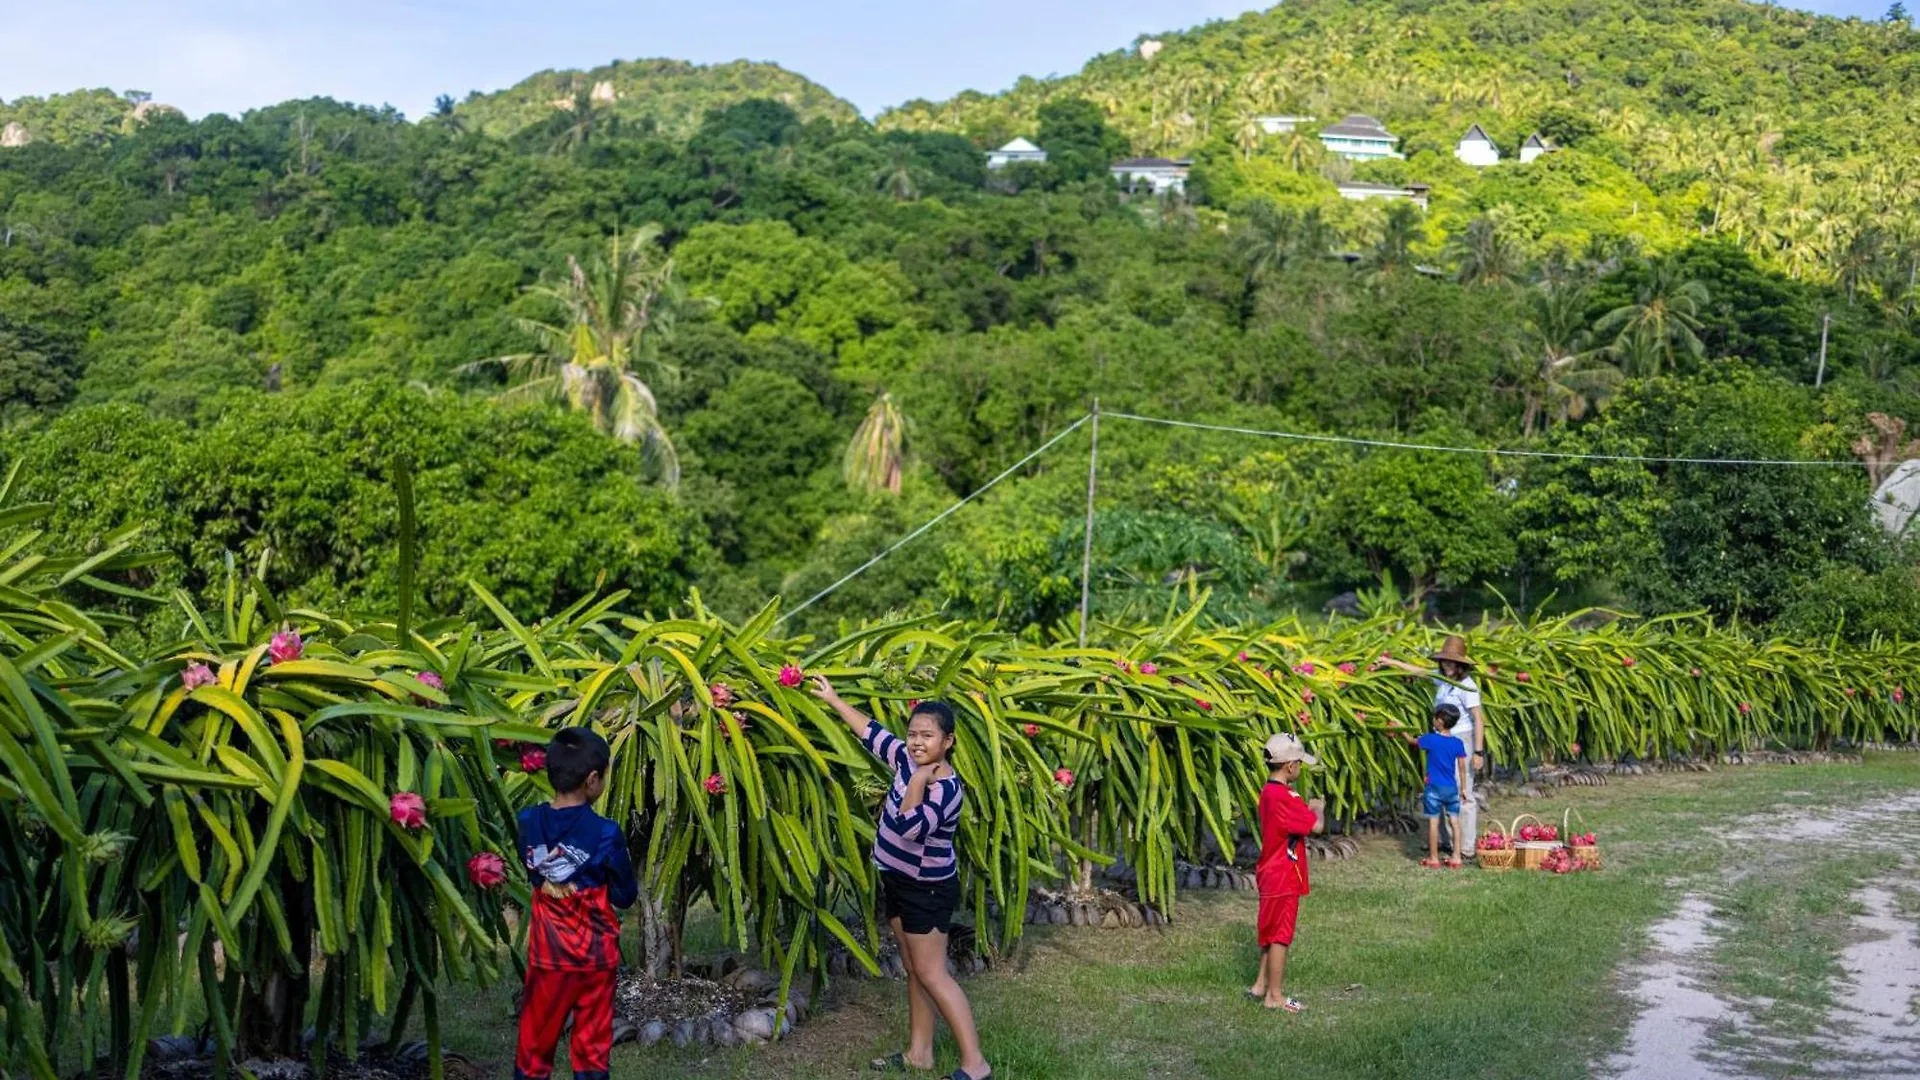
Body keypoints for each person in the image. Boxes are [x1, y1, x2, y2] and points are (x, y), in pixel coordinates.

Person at [812, 677, 991, 1080]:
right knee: (914, 969)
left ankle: (976, 1064)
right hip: (898, 880)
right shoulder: (908, 759)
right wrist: (835, 700)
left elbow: (910, 827)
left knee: (932, 972)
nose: (916, 742)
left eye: (927, 736)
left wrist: (915, 781)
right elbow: (872, 734)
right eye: (912, 734)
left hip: (927, 888)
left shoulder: (946, 789)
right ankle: (919, 1053)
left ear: (948, 741)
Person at [514, 728, 637, 1080]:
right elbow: (624, 895)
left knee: (534, 1048)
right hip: (596, 960)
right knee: (592, 1050)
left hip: (547, 958)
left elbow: (535, 875)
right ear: (593, 779)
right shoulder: (606, 833)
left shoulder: (528, 822)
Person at [1379, 635, 1489, 856]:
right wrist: (1392, 663)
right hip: (1440, 741)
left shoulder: (1467, 686)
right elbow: (1419, 671)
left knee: (1462, 791)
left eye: (1452, 662)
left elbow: (1479, 719)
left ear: (1461, 664)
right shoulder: (1443, 679)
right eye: (1445, 661)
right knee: (1439, 787)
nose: (1448, 665)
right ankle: (1444, 841)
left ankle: (1466, 846)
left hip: (1461, 741)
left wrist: (1478, 752)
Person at [1248, 732, 1325, 1013]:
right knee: (1280, 936)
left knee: (1270, 931)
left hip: (1270, 871)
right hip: (1284, 875)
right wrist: (1318, 808)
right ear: (1290, 766)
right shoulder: (1287, 796)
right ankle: (1276, 996)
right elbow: (1315, 827)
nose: (1301, 768)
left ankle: (1259, 986)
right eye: (1300, 763)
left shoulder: (1268, 792)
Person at [1396, 705, 1469, 869]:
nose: (1433, 720)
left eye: (1434, 718)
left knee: (1433, 822)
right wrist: (1464, 788)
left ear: (1440, 721)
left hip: (1433, 788)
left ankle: (1433, 858)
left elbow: (1411, 742)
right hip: (1451, 787)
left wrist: (1400, 729)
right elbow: (1462, 768)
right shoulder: (1457, 743)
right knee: (1455, 822)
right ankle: (1456, 857)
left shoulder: (1430, 739)